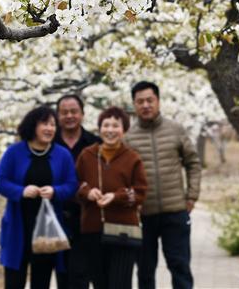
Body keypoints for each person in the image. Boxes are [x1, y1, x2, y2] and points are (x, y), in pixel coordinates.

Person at [125, 81, 202, 289]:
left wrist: (192, 196)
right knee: (145, 271)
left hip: (175, 212)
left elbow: (193, 163)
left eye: (150, 100)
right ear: (134, 105)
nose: (145, 105)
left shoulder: (175, 130)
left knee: (180, 267)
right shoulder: (129, 138)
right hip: (143, 216)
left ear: (158, 101)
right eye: (140, 101)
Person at [0, 105, 78, 289]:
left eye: (53, 124)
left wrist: (55, 191)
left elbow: (72, 184)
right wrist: (21, 191)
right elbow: (0, 182)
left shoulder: (62, 155)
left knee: (42, 281)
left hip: (47, 229)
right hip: (19, 225)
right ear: (33, 125)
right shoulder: (14, 152)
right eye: (44, 124)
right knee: (14, 281)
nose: (50, 128)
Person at [75, 106, 147, 289]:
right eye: (106, 125)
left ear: (124, 130)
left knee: (120, 284)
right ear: (99, 129)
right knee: (99, 283)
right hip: (93, 229)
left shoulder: (133, 158)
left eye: (116, 126)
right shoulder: (87, 155)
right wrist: (88, 192)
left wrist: (116, 196)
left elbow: (140, 192)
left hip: (123, 231)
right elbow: (75, 185)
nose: (110, 130)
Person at [54, 94, 101, 289]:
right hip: (56, 217)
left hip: (87, 218)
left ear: (82, 114)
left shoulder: (95, 143)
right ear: (58, 116)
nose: (69, 116)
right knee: (62, 275)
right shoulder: (49, 142)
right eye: (64, 112)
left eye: (74, 111)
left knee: (82, 276)